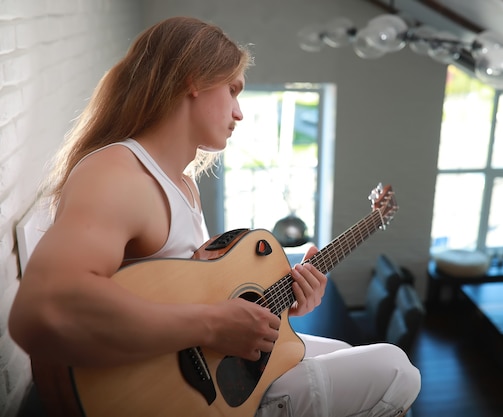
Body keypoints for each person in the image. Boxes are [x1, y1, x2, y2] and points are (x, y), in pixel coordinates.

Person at [9, 16, 421, 417]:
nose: (239, 112)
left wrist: (278, 305)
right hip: (174, 395)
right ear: (194, 79)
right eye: (233, 89)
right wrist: (211, 325)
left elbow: (190, 293)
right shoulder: (119, 173)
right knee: (395, 369)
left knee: (351, 355)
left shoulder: (183, 186)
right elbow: (43, 310)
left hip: (211, 367)